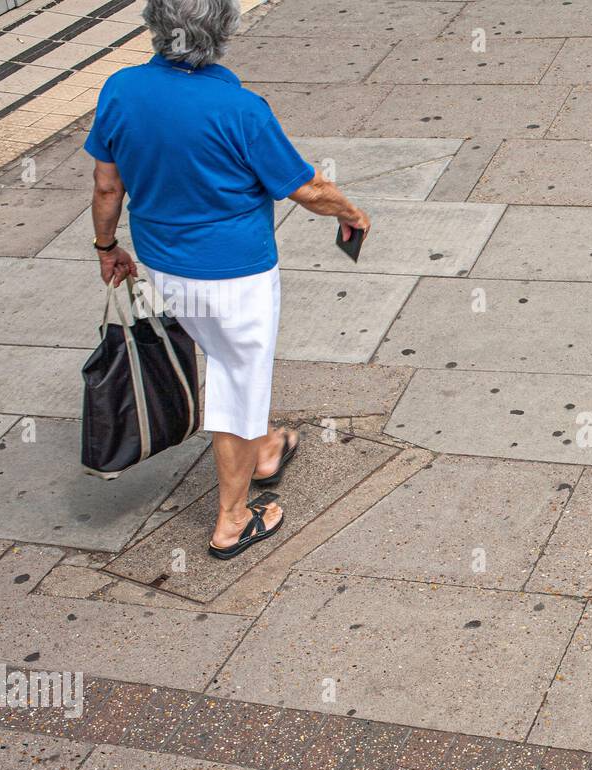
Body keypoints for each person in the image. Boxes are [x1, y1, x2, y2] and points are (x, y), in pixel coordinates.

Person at [85, 0, 370, 559]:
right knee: (238, 383)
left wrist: (106, 247)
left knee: (222, 353)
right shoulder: (241, 109)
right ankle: (233, 521)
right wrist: (350, 214)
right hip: (236, 273)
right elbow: (306, 188)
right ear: (225, 31)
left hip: (164, 262)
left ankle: (264, 450)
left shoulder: (120, 89)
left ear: (155, 27)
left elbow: (105, 187)